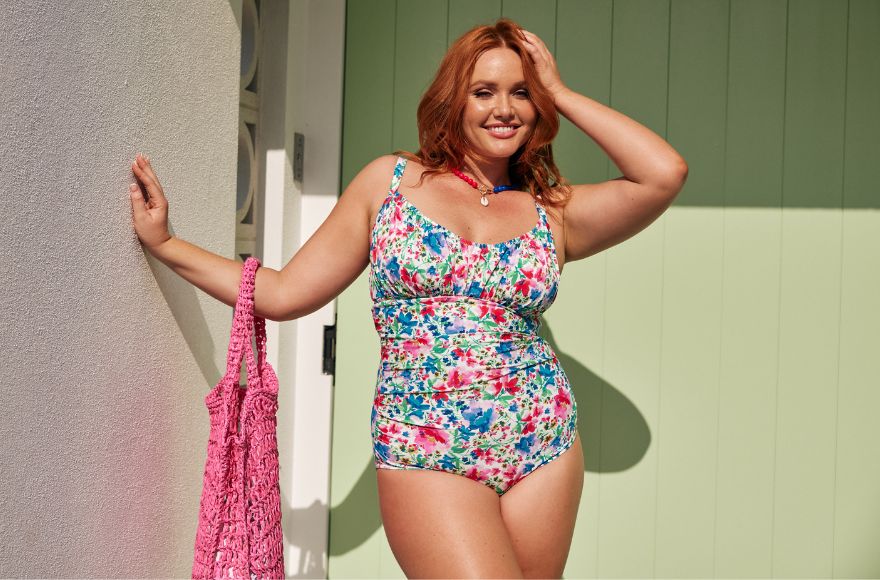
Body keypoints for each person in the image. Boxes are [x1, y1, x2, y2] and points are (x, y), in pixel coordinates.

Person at [129, 18, 687, 579]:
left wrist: (561, 92)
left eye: (521, 92)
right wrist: (169, 244)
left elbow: (662, 174)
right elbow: (283, 292)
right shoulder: (389, 185)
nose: (505, 109)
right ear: (454, 100)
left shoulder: (552, 211)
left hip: (542, 442)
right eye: (484, 92)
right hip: (425, 446)